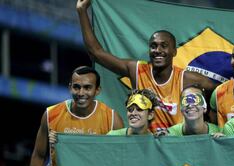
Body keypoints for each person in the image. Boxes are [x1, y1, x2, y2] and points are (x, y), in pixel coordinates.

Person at [77, 0, 217, 133]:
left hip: (176, 148)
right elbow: (96, 53)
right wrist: (82, 11)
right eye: (153, 46)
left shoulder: (187, 79)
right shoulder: (137, 70)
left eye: (164, 46)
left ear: (174, 51)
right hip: (146, 146)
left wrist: (209, 122)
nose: (158, 50)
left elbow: (222, 94)